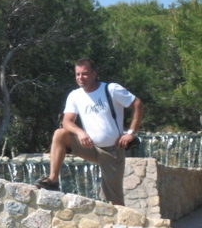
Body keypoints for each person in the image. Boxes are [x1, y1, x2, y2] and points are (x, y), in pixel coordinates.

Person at [35, 58, 144, 206]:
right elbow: (66, 121)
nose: (81, 78)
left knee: (115, 199)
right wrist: (80, 133)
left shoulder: (111, 89)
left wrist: (131, 133)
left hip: (112, 150)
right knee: (60, 134)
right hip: (89, 147)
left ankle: (121, 227)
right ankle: (53, 180)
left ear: (94, 74)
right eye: (78, 74)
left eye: (85, 74)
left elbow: (137, 104)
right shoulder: (75, 95)